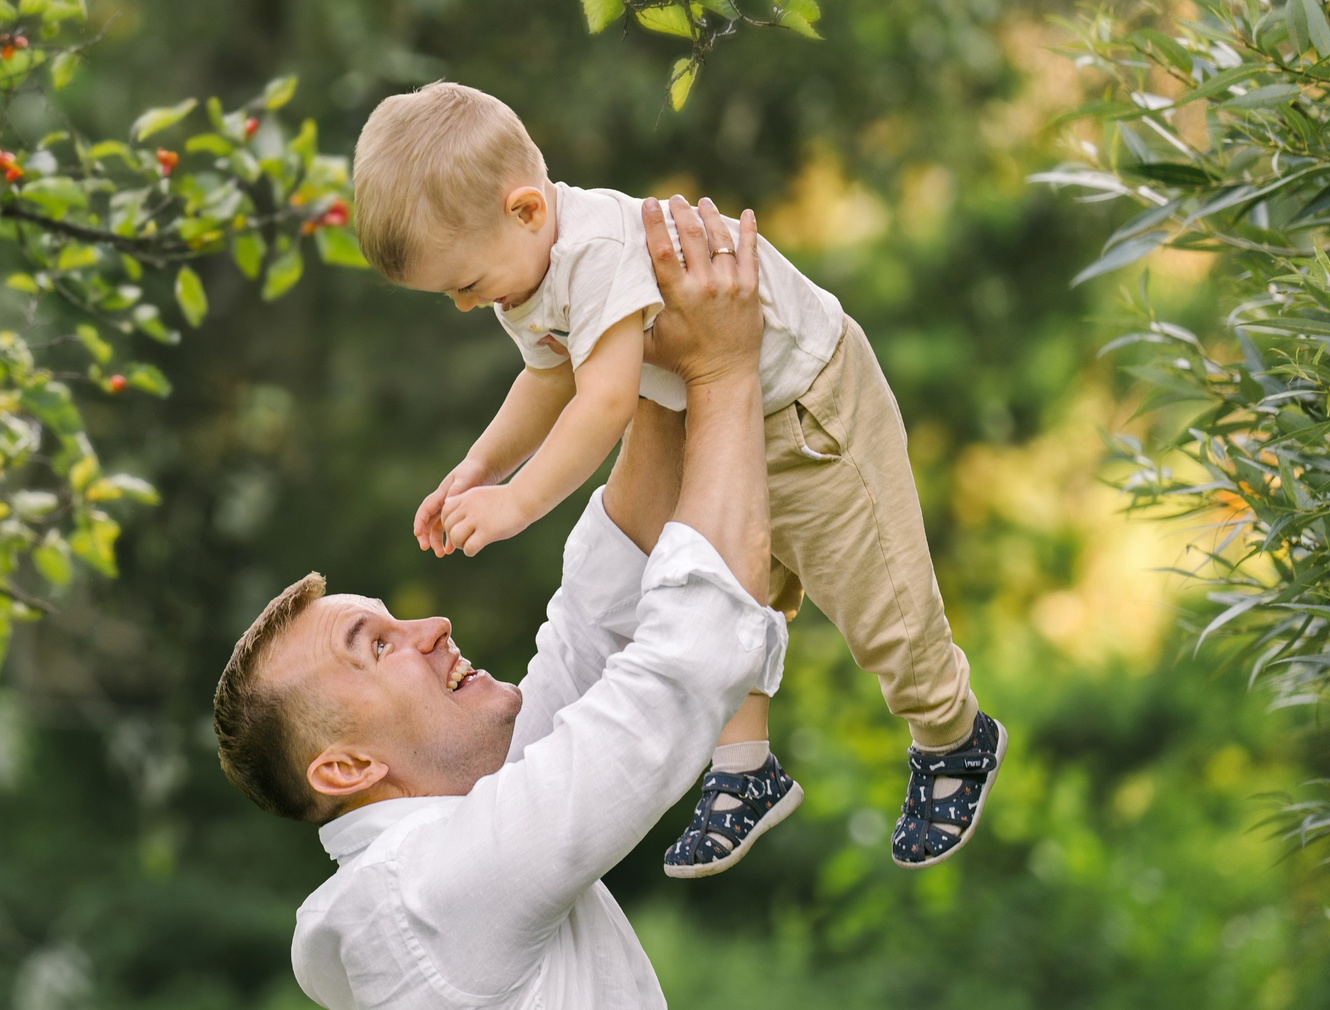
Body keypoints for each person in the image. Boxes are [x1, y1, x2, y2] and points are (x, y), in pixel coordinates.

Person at [345, 81, 1002, 874]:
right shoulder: (524, 265)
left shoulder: (592, 253)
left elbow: (607, 398)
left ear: (525, 209)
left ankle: (952, 734)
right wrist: (481, 465)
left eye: (465, 285)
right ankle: (745, 770)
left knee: (878, 600)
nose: (462, 306)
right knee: (711, 588)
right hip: (719, 417)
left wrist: (518, 502)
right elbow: (548, 378)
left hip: (810, 408)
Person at [214, 199, 776, 1008]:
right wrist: (722, 370)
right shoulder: (425, 897)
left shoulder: (456, 834)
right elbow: (677, 677)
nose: (433, 627)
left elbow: (595, 625)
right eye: (375, 646)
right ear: (345, 768)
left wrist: (639, 339)